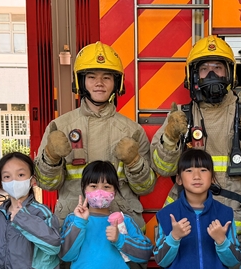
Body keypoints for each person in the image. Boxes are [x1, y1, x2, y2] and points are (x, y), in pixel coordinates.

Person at [150, 35, 241, 237]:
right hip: (186, 225)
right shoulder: (180, 116)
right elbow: (163, 169)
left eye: (217, 67)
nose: (211, 74)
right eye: (204, 69)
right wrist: (170, 138)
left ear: (229, 73)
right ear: (193, 75)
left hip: (235, 227)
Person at [35, 41, 155, 230]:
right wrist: (50, 157)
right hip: (75, 225)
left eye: (106, 77)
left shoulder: (132, 131)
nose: (99, 83)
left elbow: (145, 187)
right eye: (91, 77)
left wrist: (134, 162)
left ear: (117, 83)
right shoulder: (59, 126)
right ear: (80, 81)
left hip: (121, 227)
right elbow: (47, 184)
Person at [154, 149, 241, 269]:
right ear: (179, 179)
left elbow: (234, 260)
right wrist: (174, 237)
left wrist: (221, 241)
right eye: (189, 170)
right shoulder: (167, 215)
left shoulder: (224, 213)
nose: (196, 176)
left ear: (213, 177)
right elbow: (161, 260)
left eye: (203, 170)